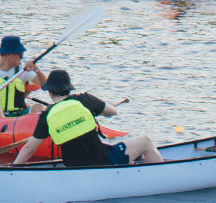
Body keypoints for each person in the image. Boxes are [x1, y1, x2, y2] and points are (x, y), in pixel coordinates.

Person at [14, 69, 162, 166]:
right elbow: (112, 112)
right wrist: (100, 108)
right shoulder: (85, 100)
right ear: (68, 88)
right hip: (101, 161)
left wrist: (13, 169)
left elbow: (28, 149)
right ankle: (159, 178)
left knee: (127, 158)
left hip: (73, 168)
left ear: (50, 92)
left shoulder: (46, 116)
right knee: (146, 141)